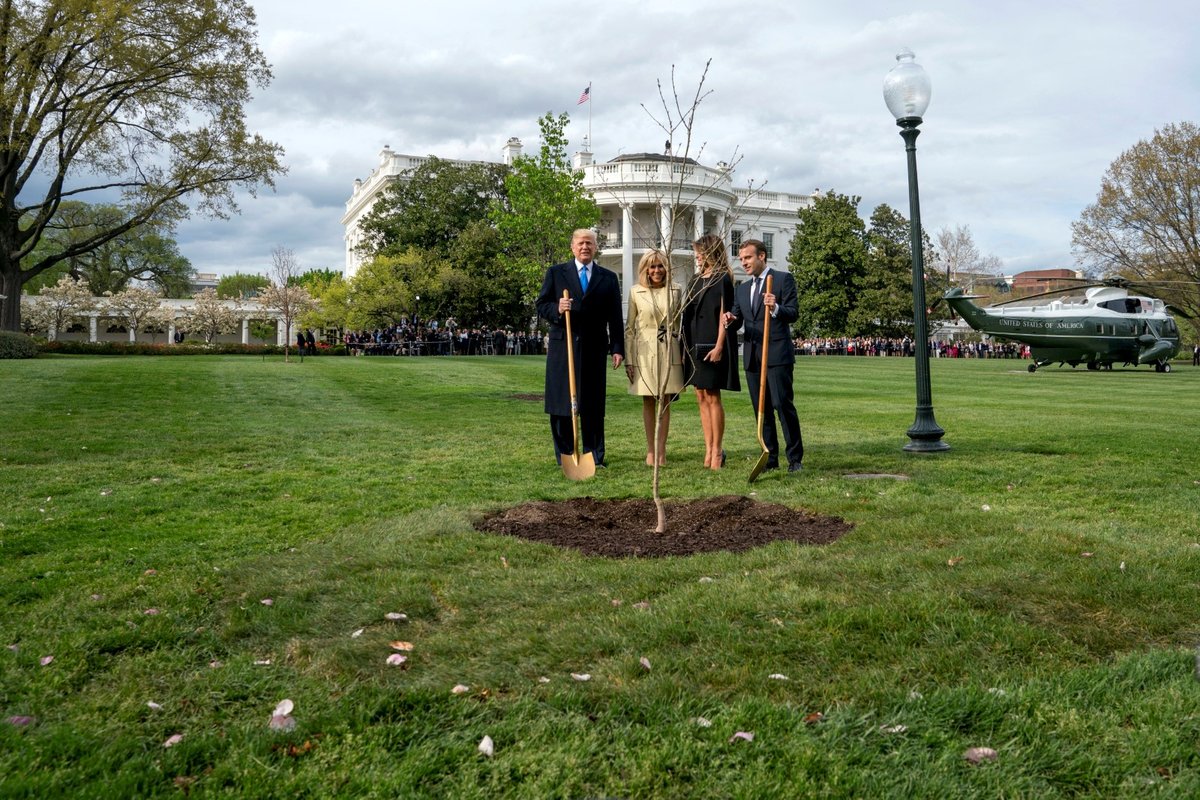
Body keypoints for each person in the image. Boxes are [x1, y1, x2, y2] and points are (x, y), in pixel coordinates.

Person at [536, 229, 625, 467]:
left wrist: (617, 347)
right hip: (563, 348)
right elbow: (541, 304)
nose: (585, 247)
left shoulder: (608, 277)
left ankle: (594, 456)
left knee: (593, 405)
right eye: (581, 243)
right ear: (572, 247)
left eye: (589, 243)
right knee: (561, 404)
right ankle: (565, 456)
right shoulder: (556, 273)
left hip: (595, 349)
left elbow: (615, 317)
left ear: (595, 247)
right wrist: (557, 307)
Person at [722, 238, 803, 473]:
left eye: (748, 257)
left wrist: (776, 307)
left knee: (781, 404)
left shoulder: (781, 279)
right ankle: (770, 456)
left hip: (777, 354)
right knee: (762, 408)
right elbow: (738, 318)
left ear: (762, 256)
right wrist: (730, 319)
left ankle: (795, 458)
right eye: (741, 258)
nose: (743, 262)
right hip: (753, 356)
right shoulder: (743, 288)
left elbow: (793, 312)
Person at [683, 233, 740, 470]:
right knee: (700, 395)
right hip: (693, 342)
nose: (697, 256)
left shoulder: (722, 279)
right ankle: (707, 448)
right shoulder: (695, 280)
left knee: (713, 395)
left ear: (710, 252)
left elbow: (723, 315)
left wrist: (719, 346)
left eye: (700, 251)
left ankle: (717, 451)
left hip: (712, 343)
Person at [624, 251, 684, 466]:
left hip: (669, 349)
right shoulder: (635, 292)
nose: (656, 270)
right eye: (652, 267)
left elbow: (678, 325)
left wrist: (681, 354)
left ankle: (661, 452)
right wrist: (629, 359)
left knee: (666, 400)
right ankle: (651, 450)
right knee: (648, 399)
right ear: (645, 270)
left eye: (660, 266)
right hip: (643, 351)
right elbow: (629, 328)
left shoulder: (676, 290)